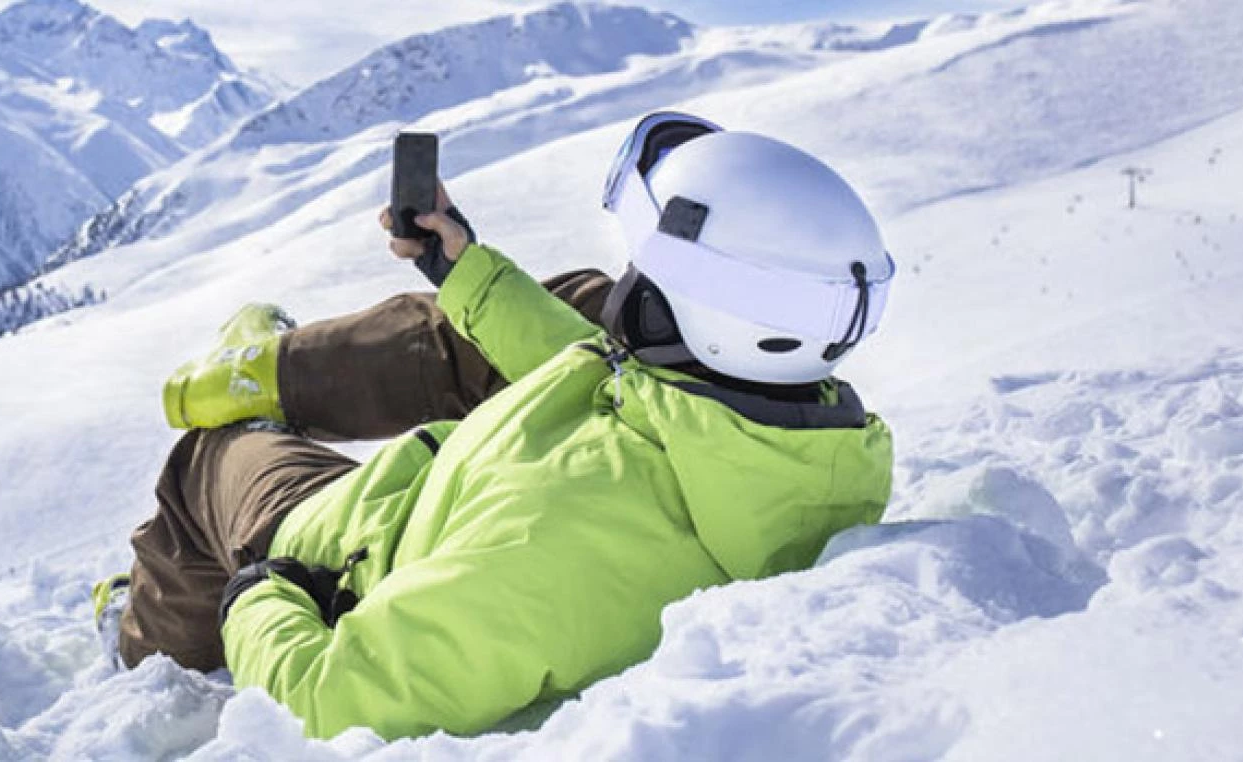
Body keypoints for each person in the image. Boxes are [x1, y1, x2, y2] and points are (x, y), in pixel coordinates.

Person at [92, 112, 898, 740]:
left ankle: (142, 632)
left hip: (349, 556)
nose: (630, 286)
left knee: (210, 461)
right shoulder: (775, 439)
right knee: (562, 310)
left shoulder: (550, 548)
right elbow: (588, 363)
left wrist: (259, 599)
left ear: (675, 316)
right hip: (437, 500)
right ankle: (275, 375)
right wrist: (460, 266)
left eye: (644, 275)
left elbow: (334, 703)